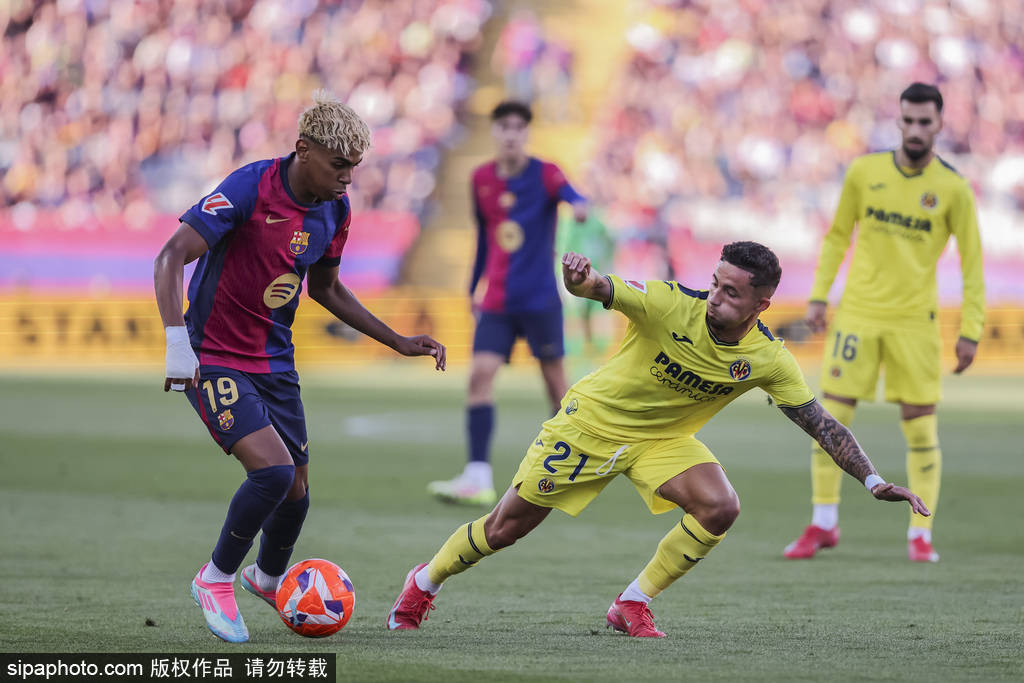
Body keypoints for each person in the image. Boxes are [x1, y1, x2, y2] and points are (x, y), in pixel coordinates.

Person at [388, 243, 929, 637]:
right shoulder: (669, 302)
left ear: (761, 306)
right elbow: (599, 288)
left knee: (720, 506)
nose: (715, 297)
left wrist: (873, 480)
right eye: (715, 283)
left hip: (662, 440)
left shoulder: (767, 357)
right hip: (589, 425)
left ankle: (632, 602)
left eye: (731, 292)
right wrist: (579, 279)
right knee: (505, 529)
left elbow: (821, 423)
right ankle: (424, 583)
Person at [154, 90, 446, 643]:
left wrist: (397, 341)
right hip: (213, 356)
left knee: (297, 492)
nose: (347, 178)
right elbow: (170, 255)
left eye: (354, 167)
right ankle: (215, 578)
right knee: (273, 472)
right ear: (304, 150)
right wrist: (177, 344)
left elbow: (326, 289)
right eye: (339, 166)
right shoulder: (248, 187)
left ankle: (267, 579)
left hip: (275, 361)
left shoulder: (336, 210)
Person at [783, 83, 984, 564]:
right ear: (899, 120)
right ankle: (823, 522)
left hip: (915, 322)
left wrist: (971, 329)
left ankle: (921, 532)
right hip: (858, 313)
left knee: (920, 429)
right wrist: (818, 296)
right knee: (830, 419)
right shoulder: (864, 172)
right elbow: (836, 237)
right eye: (908, 120)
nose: (915, 129)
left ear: (939, 124)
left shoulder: (953, 188)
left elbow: (972, 265)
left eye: (924, 122)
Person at [427, 100, 588, 506]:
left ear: (526, 133)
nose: (512, 134)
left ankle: (570, 468)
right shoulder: (480, 178)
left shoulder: (547, 173)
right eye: (505, 126)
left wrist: (579, 206)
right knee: (479, 377)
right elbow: (485, 239)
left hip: (540, 299)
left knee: (556, 387)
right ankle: (477, 476)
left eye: (519, 127)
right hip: (497, 299)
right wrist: (473, 288)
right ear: (495, 132)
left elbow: (573, 195)